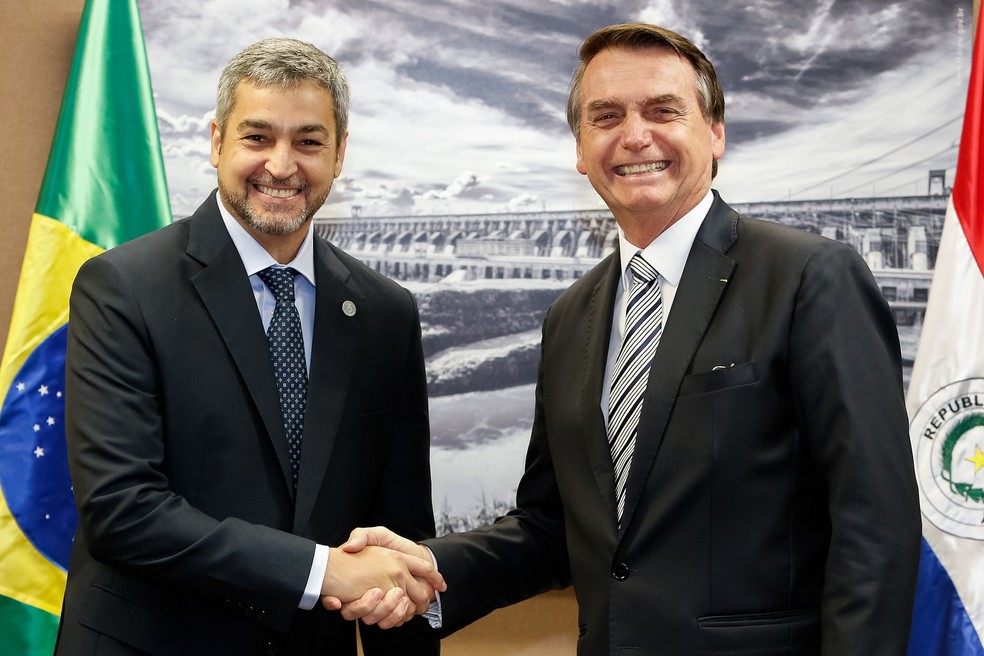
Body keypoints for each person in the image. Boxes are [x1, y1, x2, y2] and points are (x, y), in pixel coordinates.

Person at [333, 22, 922, 654]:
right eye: (605, 116)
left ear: (715, 132)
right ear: (581, 152)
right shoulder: (570, 315)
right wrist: (423, 567)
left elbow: (875, 529)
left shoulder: (810, 277)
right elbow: (552, 526)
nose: (635, 135)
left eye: (663, 110)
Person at [55, 37, 443, 656]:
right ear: (216, 143)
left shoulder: (385, 313)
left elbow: (397, 535)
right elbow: (121, 510)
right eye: (257, 138)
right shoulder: (124, 286)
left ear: (340, 154)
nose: (283, 165)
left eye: (309, 142)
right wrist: (321, 570)